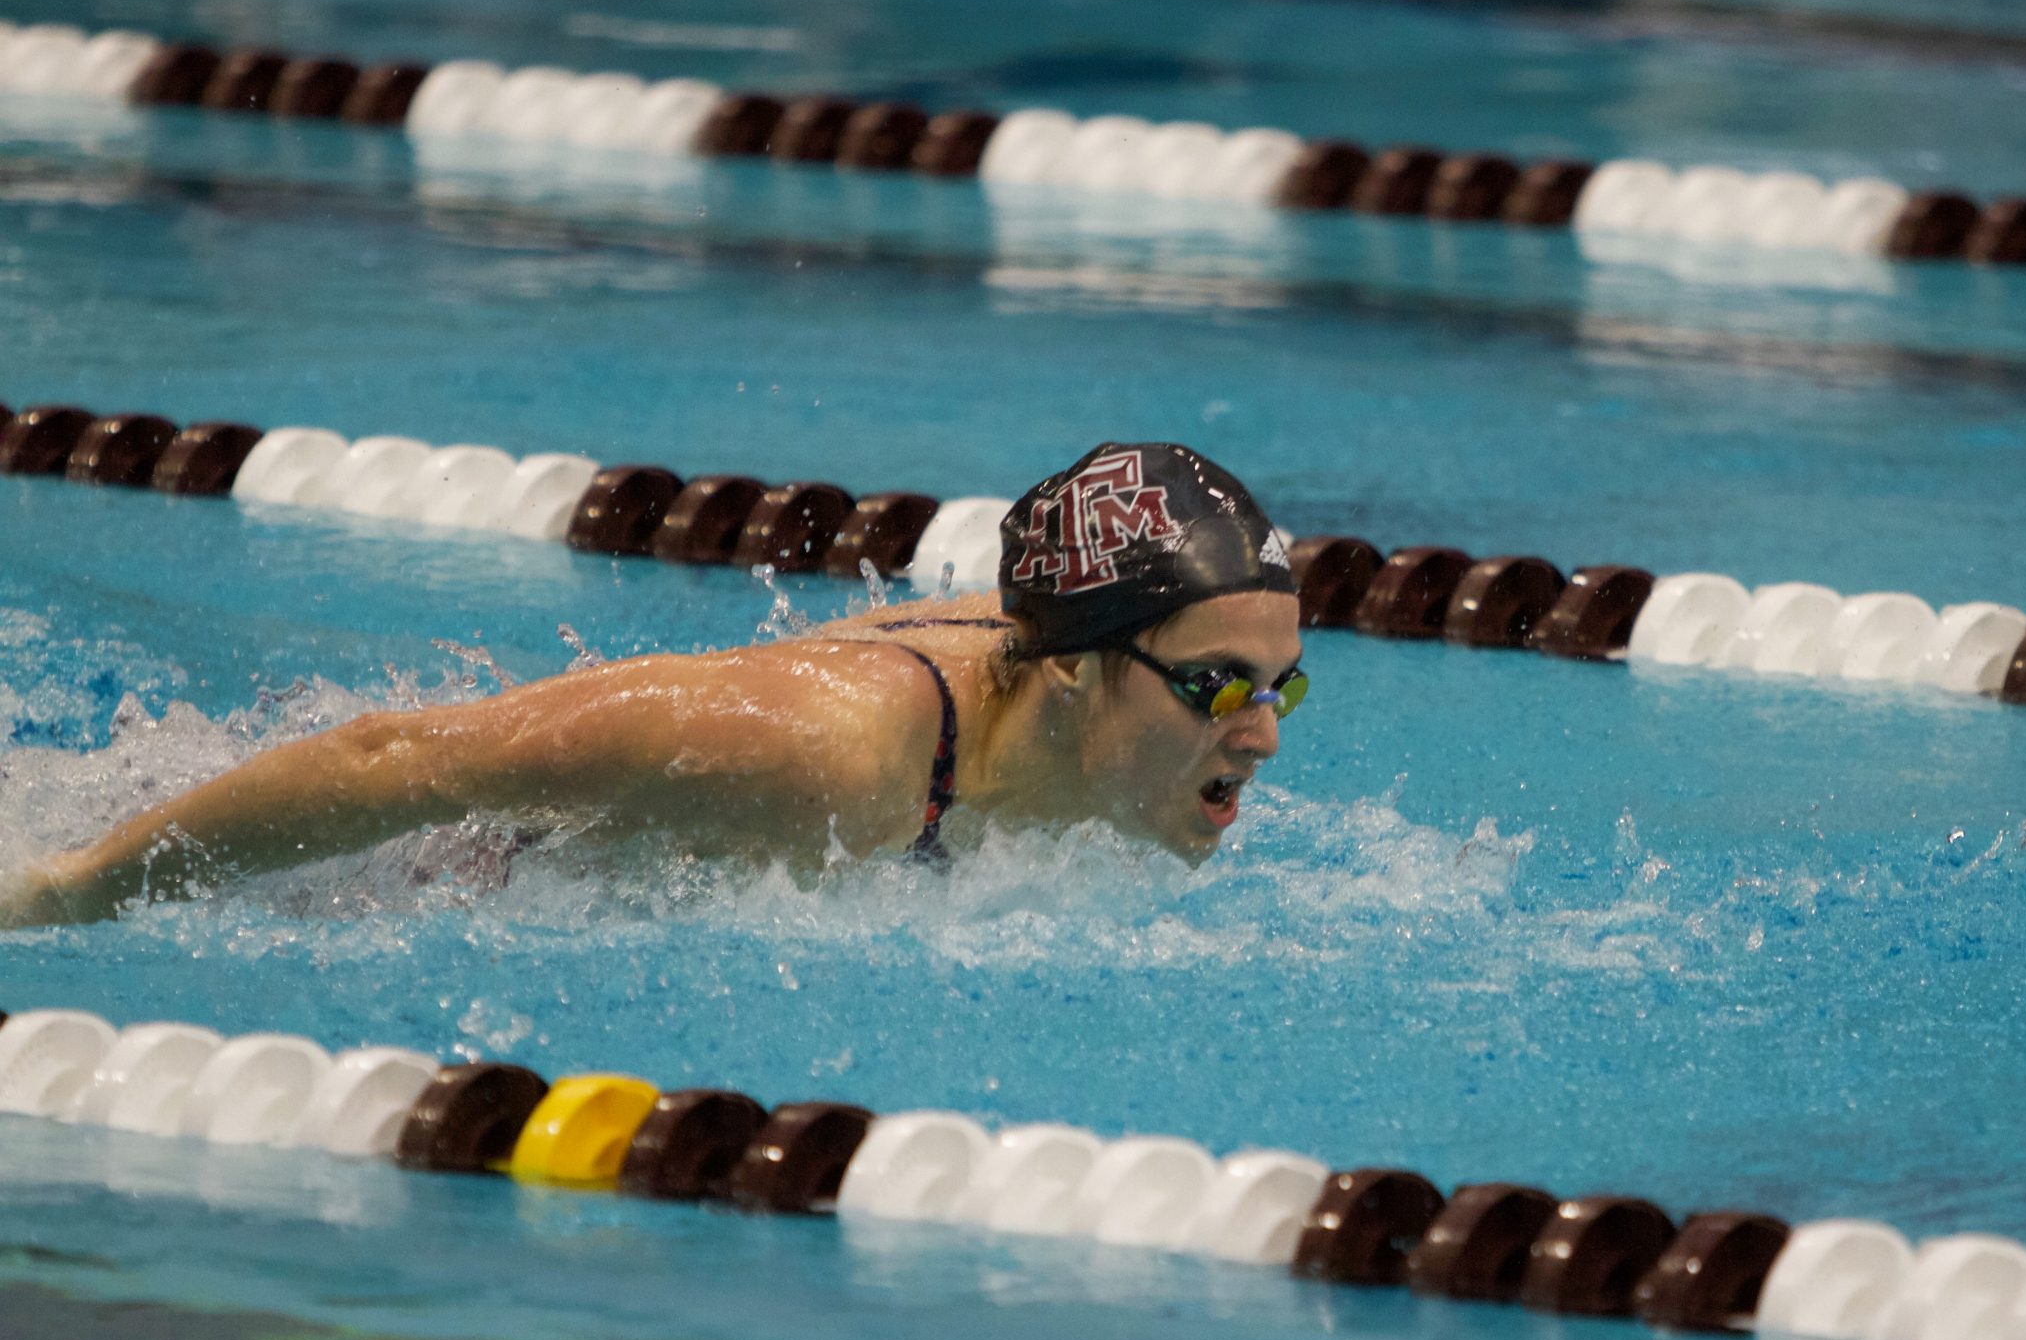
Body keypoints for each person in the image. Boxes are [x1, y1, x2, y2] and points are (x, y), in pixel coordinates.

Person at [0, 442, 1308, 928]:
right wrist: (74, 887)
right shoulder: (823, 759)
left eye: (1279, 690)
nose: (1257, 736)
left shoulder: (1064, 699)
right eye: (1216, 689)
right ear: (1075, 674)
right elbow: (395, 767)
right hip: (369, 859)